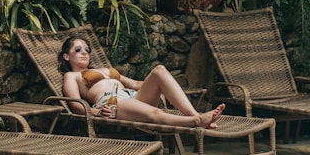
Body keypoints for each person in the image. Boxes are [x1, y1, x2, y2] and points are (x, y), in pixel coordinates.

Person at [58, 35, 225, 129]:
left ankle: (196, 115)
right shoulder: (71, 76)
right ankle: (195, 122)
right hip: (113, 102)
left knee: (159, 70)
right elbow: (76, 105)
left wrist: (165, 91)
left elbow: (137, 84)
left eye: (87, 50)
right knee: (154, 114)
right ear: (67, 56)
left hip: (132, 96)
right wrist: (98, 113)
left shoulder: (103, 69)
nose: (84, 53)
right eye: (78, 50)